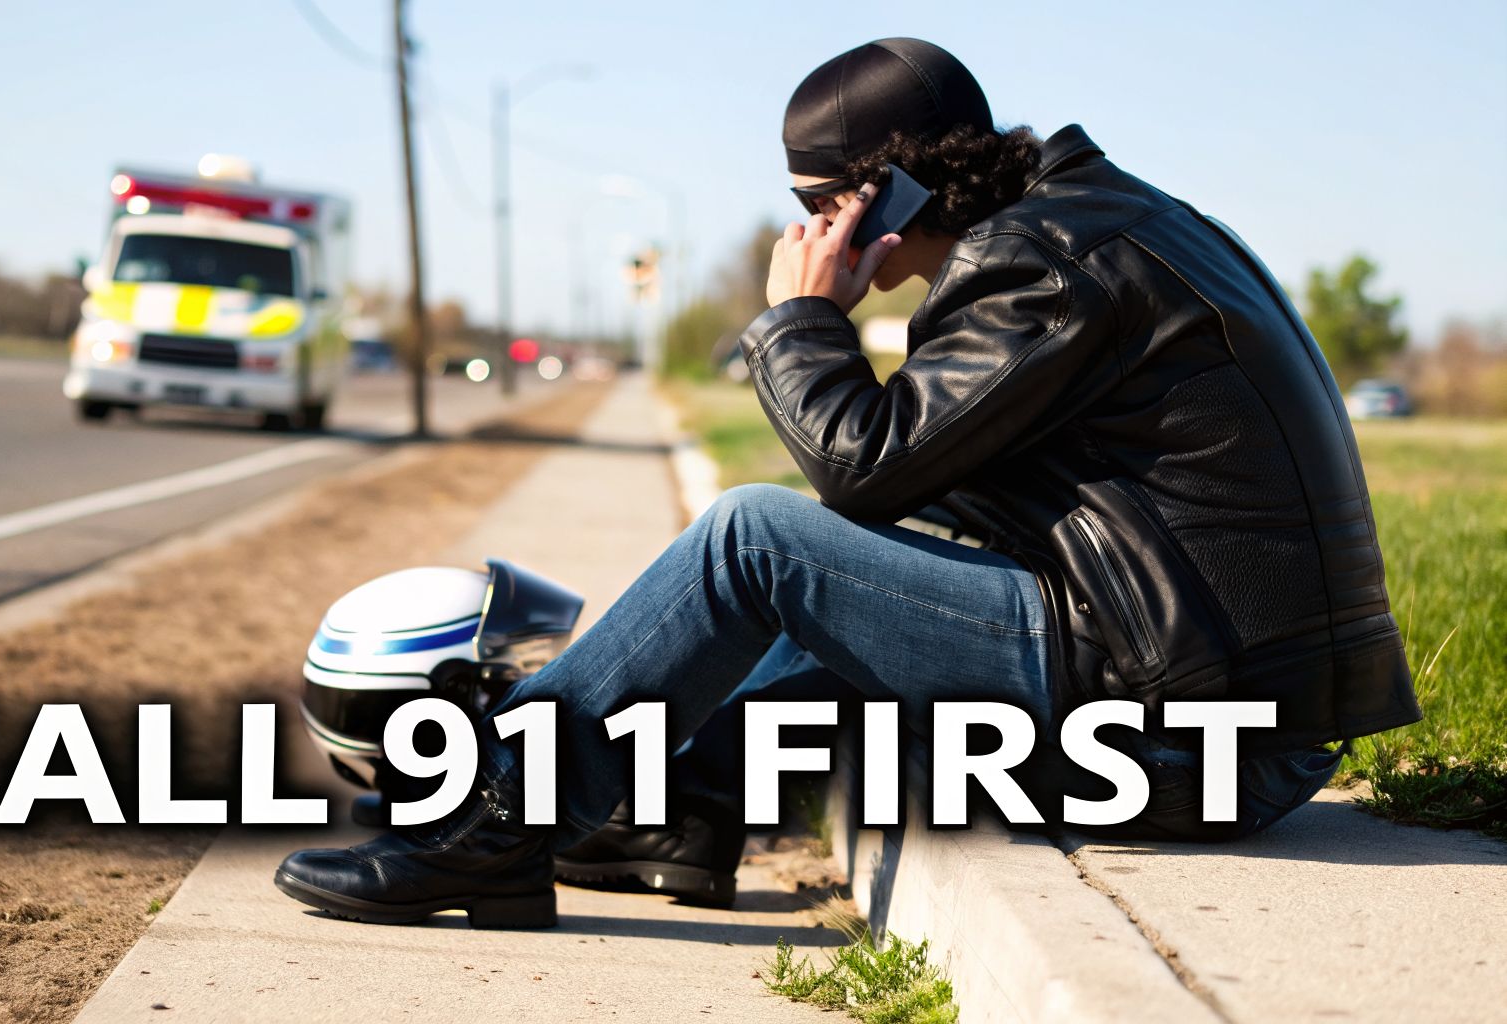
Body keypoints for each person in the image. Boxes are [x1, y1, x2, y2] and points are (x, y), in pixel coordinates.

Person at [273, 37, 1419, 928]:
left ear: (889, 196)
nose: (809, 230)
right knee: (822, 567)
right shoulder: (1093, 226)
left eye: (821, 204)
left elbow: (859, 466)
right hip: (1218, 713)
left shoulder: (1040, 263)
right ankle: (680, 808)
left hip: (1188, 741)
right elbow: (909, 492)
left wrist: (802, 319)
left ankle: (495, 821)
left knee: (753, 539)